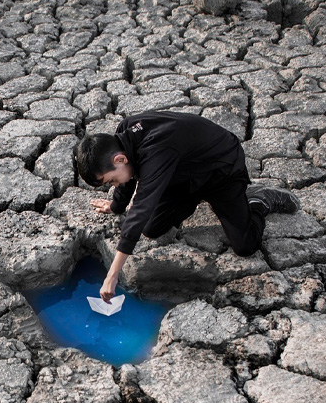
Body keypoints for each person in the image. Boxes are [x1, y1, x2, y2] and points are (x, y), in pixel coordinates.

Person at [74, 111, 300, 303]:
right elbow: (128, 178)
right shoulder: (123, 135)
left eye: (111, 181)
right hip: (181, 176)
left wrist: (112, 275)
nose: (114, 185)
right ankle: (194, 199)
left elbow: (141, 208)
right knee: (151, 228)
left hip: (220, 171)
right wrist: (116, 206)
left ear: (120, 159)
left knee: (245, 245)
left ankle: (258, 200)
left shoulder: (156, 151)